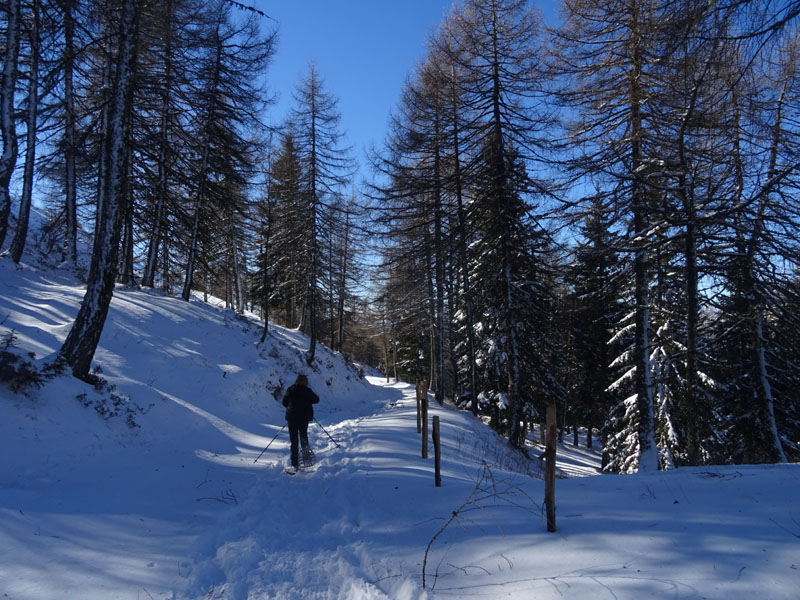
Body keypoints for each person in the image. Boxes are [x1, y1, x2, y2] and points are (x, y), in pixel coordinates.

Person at [282, 373, 319, 470]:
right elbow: (316, 400)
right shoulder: (307, 390)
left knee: (293, 441)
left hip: (292, 418)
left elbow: (284, 402)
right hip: (303, 418)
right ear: (305, 381)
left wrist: (291, 407)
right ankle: (306, 460)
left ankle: (294, 463)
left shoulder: (291, 389)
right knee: (303, 438)